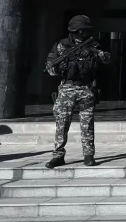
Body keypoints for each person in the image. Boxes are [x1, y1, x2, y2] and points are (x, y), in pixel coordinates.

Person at [44, 15, 111, 169]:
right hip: (67, 89)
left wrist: (93, 53)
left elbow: (108, 58)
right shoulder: (62, 46)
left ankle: (88, 155)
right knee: (62, 124)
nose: (82, 34)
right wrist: (60, 67)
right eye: (81, 31)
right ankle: (58, 155)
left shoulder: (94, 44)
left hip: (86, 88)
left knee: (87, 124)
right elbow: (50, 68)